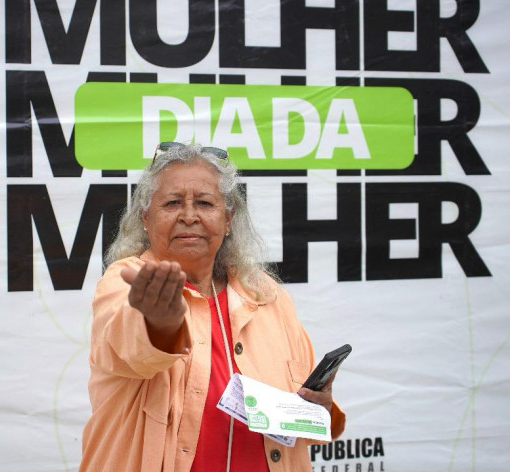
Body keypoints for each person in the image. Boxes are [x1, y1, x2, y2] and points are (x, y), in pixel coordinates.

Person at [80, 143, 345, 471]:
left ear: (228, 218)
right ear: (146, 218)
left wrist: (319, 410)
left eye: (204, 203)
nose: (189, 216)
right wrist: (158, 324)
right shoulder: (126, 281)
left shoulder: (266, 294)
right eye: (172, 203)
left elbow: (307, 417)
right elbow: (133, 346)